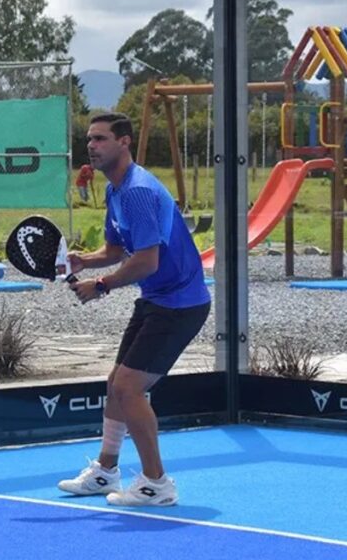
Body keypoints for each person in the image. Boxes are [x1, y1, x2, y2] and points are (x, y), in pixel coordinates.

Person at [57, 113, 211, 507]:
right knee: (116, 385)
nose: (91, 146)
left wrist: (102, 286)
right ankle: (106, 471)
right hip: (157, 300)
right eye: (89, 139)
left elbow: (147, 262)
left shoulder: (138, 191)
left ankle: (155, 484)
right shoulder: (115, 190)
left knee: (129, 388)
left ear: (124, 142)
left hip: (180, 304)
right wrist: (83, 263)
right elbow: (114, 250)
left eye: (101, 139)